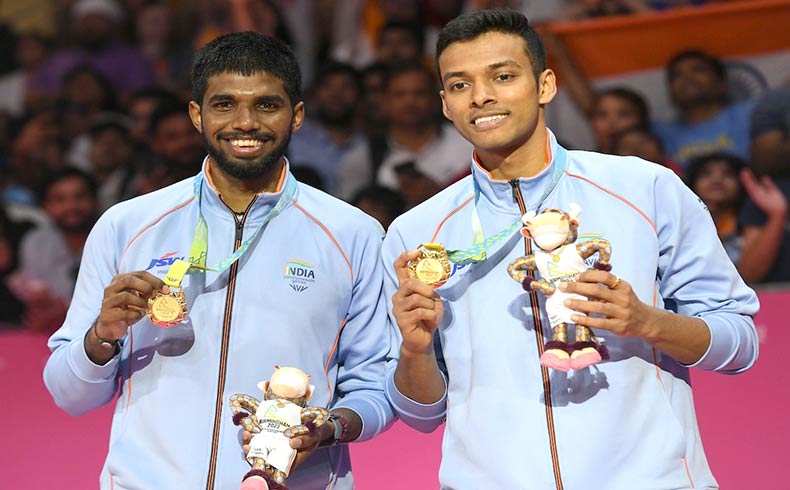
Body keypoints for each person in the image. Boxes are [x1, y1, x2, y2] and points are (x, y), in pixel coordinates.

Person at [383, 9, 758, 490]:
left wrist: (649, 323)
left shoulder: (646, 189)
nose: (481, 97)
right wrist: (415, 352)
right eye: (460, 85)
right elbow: (420, 414)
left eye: (502, 75)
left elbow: (739, 344)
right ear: (445, 104)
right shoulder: (417, 233)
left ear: (545, 85)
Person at [43, 31, 395, 490]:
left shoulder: (353, 235)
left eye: (267, 105)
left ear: (298, 115)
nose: (245, 122)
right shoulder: (127, 225)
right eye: (224, 104)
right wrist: (101, 338)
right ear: (197, 114)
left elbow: (376, 389)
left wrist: (327, 428)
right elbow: (69, 395)